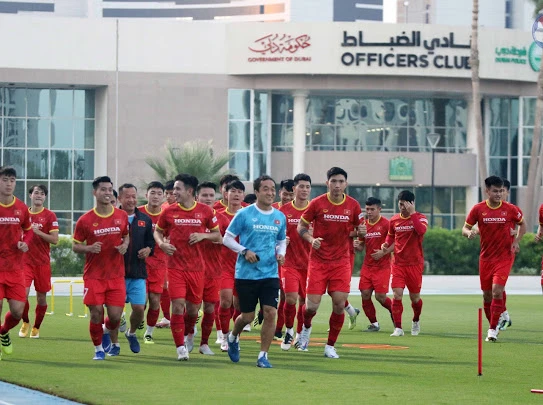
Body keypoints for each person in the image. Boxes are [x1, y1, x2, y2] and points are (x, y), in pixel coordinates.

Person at [296, 167, 364, 358]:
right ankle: (305, 330)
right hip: (318, 262)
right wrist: (311, 240)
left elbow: (360, 230)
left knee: (339, 304)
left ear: (346, 184)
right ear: (327, 183)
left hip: (341, 262)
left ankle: (330, 346)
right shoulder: (317, 204)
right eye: (333, 181)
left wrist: (361, 236)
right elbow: (301, 226)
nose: (337, 185)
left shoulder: (353, 205)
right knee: (311, 307)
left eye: (341, 181)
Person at [154, 173, 221, 361]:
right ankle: (180, 348)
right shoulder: (168, 212)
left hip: (197, 269)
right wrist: (161, 244)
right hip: (175, 267)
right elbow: (158, 232)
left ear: (189, 191)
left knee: (192, 310)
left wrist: (203, 236)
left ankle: (189, 332)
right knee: (177, 306)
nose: (173, 192)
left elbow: (218, 236)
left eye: (177, 189)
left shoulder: (205, 212)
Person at [223, 175, 286, 368]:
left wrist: (281, 253)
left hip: (270, 274)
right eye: (265, 189)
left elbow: (281, 240)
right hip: (246, 275)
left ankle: (263, 356)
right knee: (247, 317)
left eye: (272, 188)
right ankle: (233, 337)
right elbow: (227, 238)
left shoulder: (279, 216)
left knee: (269, 312)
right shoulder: (244, 214)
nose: (270, 192)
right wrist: (244, 251)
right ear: (257, 192)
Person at [73, 176, 129, 360]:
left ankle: (106, 331)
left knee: (114, 317)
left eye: (109, 189)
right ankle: (98, 349)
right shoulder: (85, 220)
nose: (107, 193)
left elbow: (126, 235)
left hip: (116, 275)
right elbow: (75, 246)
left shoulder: (121, 216)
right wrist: (88, 248)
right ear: (94, 192)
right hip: (94, 276)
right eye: (103, 189)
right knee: (96, 313)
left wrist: (125, 245)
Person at [463, 176, 525, 342]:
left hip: (505, 256)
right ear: (487, 191)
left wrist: (516, 241)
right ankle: (500, 318)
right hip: (486, 258)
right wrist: (469, 233)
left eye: (501, 191)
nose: (499, 194)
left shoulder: (511, 209)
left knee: (497, 290)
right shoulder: (478, 209)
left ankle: (492, 330)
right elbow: (465, 227)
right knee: (487, 295)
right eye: (495, 191)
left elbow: (523, 225)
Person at [102, 184, 154, 356]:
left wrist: (148, 250)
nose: (131, 200)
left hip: (138, 273)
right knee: (115, 314)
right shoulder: (112, 218)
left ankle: (131, 333)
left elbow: (150, 243)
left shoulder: (145, 219)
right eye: (127, 197)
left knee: (139, 309)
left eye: (134, 196)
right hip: (116, 274)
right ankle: (114, 343)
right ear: (120, 199)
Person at [381, 190, 427, 337]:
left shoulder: (421, 218)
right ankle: (398, 328)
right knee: (397, 294)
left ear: (412, 204)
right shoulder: (394, 220)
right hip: (398, 264)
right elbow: (390, 237)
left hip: (414, 264)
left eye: (405, 205)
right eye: (400, 204)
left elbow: (421, 231)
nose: (402, 208)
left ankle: (416, 320)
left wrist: (412, 214)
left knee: (415, 298)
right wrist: (385, 245)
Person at [0, 166, 33, 358]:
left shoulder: (21, 208)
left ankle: (3, 332)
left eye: (12, 180)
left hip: (15, 268)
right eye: (5, 179)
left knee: (18, 312)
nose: (9, 184)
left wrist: (25, 242)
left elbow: (28, 230)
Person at [19, 185, 59, 339]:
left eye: (42, 194)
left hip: (42, 263)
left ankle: (36, 327)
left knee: (41, 298)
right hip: (24, 262)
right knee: (22, 296)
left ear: (45, 198)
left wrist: (37, 231)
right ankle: (26, 322)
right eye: (36, 193)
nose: (39, 196)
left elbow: (55, 240)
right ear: (30, 195)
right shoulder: (22, 214)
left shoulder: (50, 216)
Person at [279, 173, 311, 350]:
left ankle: (301, 335)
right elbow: (274, 235)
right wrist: (281, 240)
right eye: (301, 186)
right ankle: (289, 330)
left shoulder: (314, 209)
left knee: (306, 303)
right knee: (290, 299)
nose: (304, 190)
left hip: (311, 264)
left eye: (307, 187)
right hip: (289, 263)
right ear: (294, 189)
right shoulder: (283, 211)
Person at [195, 181, 228, 355]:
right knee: (191, 308)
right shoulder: (190, 218)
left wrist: (210, 237)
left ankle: (204, 343)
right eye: (204, 195)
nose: (208, 198)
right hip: (192, 269)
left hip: (214, 270)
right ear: (196, 197)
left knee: (209, 308)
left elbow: (227, 240)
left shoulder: (222, 219)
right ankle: (187, 337)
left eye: (210, 195)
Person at [354, 197, 393, 332]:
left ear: (379, 209)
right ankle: (374, 324)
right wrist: (356, 245)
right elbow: (360, 247)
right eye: (367, 209)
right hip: (368, 266)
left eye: (372, 209)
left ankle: (395, 312)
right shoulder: (363, 225)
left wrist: (384, 252)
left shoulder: (386, 224)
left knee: (380, 297)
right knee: (365, 294)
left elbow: (396, 242)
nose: (369, 212)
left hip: (383, 266)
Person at [217, 180, 245, 352]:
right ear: (225, 194)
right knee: (225, 301)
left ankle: (235, 335)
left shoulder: (249, 215)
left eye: (239, 192)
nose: (236, 195)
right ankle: (224, 336)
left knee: (240, 306)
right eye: (232, 191)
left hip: (244, 267)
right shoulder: (218, 216)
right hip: (224, 267)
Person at [138, 181, 167, 343]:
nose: (156, 196)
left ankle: (149, 332)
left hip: (159, 264)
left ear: (163, 196)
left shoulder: (167, 215)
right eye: (153, 193)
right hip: (139, 264)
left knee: (155, 301)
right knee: (140, 303)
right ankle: (132, 324)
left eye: (159, 193)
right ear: (146, 195)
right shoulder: (138, 213)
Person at [156, 180, 175, 328]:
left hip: (181, 254)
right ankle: (167, 317)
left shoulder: (184, 209)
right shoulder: (163, 209)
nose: (169, 196)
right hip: (164, 252)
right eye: (166, 193)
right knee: (164, 286)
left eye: (171, 193)